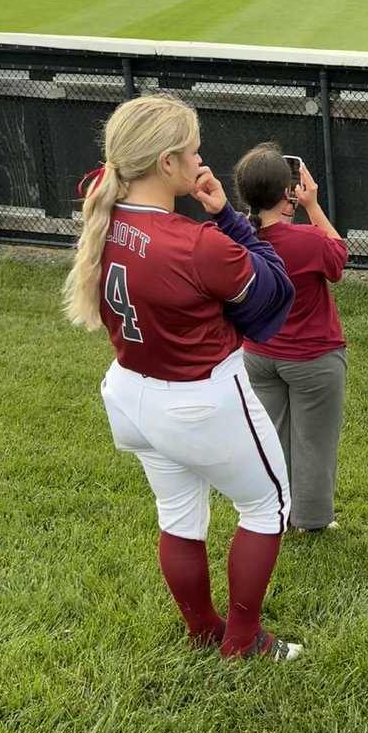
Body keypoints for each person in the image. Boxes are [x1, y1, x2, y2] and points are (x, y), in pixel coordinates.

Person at [63, 96, 303, 662]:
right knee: (268, 505)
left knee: (178, 515)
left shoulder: (101, 209)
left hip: (129, 392)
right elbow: (275, 290)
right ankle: (243, 641)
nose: (201, 161)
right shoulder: (199, 242)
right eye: (193, 152)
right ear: (168, 162)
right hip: (200, 397)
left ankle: (202, 629)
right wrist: (225, 216)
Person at [233, 144, 348, 534]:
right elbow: (338, 258)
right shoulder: (306, 240)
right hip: (313, 357)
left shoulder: (237, 240)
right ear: (288, 193)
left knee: (270, 440)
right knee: (314, 443)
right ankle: (312, 521)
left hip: (258, 354)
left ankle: (272, 515)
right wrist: (313, 206)